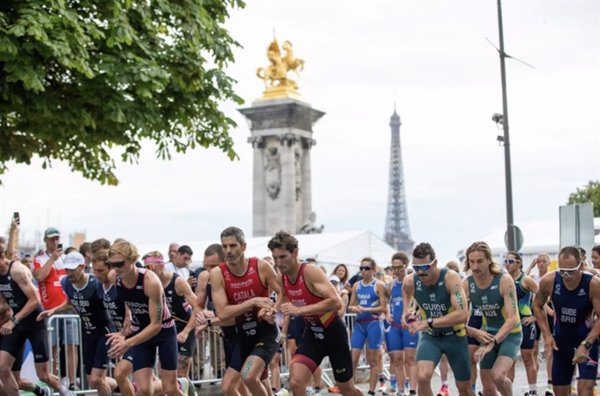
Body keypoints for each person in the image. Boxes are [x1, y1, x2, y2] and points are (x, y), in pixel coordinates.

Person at [268, 231, 362, 396]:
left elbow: (335, 302)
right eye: (275, 258)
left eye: (283, 257)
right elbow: (283, 296)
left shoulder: (309, 271)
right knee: (296, 382)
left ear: (295, 253)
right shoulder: (281, 276)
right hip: (312, 333)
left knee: (346, 388)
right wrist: (272, 309)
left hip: (333, 333)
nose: (279, 263)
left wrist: (300, 310)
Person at [210, 226, 280, 396]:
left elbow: (283, 293)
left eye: (233, 246)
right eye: (224, 246)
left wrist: (273, 310)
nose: (228, 251)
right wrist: (253, 301)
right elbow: (223, 313)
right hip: (242, 335)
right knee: (228, 387)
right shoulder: (218, 273)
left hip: (266, 332)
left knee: (248, 377)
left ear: (243, 246)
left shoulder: (261, 266)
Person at [106, 240, 183, 396]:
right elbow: (127, 295)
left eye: (120, 264)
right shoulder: (114, 276)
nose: (116, 268)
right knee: (144, 390)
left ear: (133, 260)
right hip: (142, 333)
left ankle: (184, 386)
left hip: (163, 333)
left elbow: (156, 325)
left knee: (171, 389)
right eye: (112, 264)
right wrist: (128, 315)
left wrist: (126, 343)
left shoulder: (151, 282)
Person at [38, 251, 117, 396]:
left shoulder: (96, 284)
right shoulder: (65, 283)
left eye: (72, 269)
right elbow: (69, 302)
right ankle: (119, 383)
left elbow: (115, 302)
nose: (69, 273)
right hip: (86, 333)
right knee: (93, 380)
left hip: (104, 332)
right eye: (67, 269)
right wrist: (52, 310)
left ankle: (117, 385)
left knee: (96, 379)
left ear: (82, 267)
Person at [0, 240, 70, 396]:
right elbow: (3, 302)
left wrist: (13, 321)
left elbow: (35, 300)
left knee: (43, 375)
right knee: (3, 369)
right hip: (17, 324)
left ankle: (65, 391)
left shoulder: (17, 270)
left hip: (34, 322)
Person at [402, 242, 473, 396]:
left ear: (434, 263)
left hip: (455, 336)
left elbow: (462, 314)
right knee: (422, 376)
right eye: (416, 268)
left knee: (464, 388)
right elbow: (405, 290)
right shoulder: (410, 280)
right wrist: (406, 309)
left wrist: (429, 322)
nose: (420, 272)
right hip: (431, 337)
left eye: (424, 267)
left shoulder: (450, 277)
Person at [533, 246, 600, 396]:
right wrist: (547, 335)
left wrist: (587, 343)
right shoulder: (550, 280)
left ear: (581, 266)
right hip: (561, 342)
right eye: (562, 271)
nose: (566, 276)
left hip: (586, 341)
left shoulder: (593, 284)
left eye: (570, 271)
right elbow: (537, 305)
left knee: (585, 390)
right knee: (560, 392)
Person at [463, 242, 522, 396]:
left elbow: (513, 318)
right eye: (472, 262)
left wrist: (492, 343)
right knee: (488, 388)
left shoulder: (503, 280)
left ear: (489, 260)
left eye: (480, 261)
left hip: (510, 334)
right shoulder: (467, 284)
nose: (475, 267)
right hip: (488, 333)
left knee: (498, 375)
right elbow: (456, 316)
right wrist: (471, 330)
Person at [195, 243, 250, 396]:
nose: (209, 270)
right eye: (206, 266)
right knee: (238, 385)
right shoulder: (204, 277)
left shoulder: (233, 278)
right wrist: (201, 315)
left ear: (225, 261)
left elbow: (234, 312)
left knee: (228, 385)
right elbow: (198, 305)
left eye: (213, 266)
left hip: (246, 335)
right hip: (228, 335)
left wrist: (212, 318)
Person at [33, 227, 80, 390]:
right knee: (51, 348)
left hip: (67, 310)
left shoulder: (67, 258)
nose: (55, 242)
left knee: (71, 346)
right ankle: (54, 383)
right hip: (49, 311)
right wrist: (52, 259)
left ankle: (73, 383)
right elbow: (39, 276)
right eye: (52, 239)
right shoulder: (40, 258)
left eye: (57, 239)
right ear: (45, 240)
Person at [144, 251, 198, 383]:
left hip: (184, 327)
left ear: (161, 266)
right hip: (166, 331)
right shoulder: (149, 283)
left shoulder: (177, 281)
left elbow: (198, 306)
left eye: (149, 268)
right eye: (145, 268)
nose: (147, 272)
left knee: (181, 373)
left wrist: (186, 331)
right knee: (165, 375)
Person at [348, 257, 388, 396]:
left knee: (373, 360)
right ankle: (351, 390)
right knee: (353, 359)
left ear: (374, 270)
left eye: (367, 268)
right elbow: (350, 306)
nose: (363, 271)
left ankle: (371, 391)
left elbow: (384, 308)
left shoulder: (379, 285)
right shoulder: (356, 286)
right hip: (359, 325)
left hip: (374, 324)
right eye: (361, 268)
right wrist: (354, 309)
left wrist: (365, 309)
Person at [503, 251, 539, 395]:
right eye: (505, 261)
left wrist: (535, 317)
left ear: (519, 263)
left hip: (525, 323)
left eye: (510, 261)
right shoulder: (503, 280)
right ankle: (508, 391)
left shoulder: (526, 280)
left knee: (527, 358)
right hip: (509, 324)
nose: (507, 264)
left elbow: (544, 297)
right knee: (508, 359)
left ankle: (532, 391)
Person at [385, 251, 418, 396]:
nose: (396, 270)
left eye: (399, 267)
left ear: (406, 265)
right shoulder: (391, 284)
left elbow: (420, 303)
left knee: (410, 359)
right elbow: (387, 302)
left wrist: (415, 315)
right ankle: (400, 390)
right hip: (395, 326)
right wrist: (387, 314)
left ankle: (412, 390)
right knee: (397, 359)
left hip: (410, 325)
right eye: (394, 267)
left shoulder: (412, 281)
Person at [526, 253, 555, 395]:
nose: (541, 264)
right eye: (539, 262)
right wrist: (530, 266)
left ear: (549, 263)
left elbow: (547, 299)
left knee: (550, 349)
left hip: (546, 314)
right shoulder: (533, 278)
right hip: (536, 313)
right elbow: (519, 282)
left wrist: (550, 312)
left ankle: (550, 383)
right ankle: (533, 387)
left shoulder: (551, 278)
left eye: (544, 261)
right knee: (533, 351)